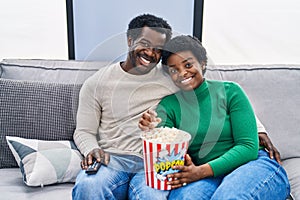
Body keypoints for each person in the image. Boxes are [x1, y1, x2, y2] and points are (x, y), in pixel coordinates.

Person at [72, 13, 281, 200]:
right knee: (89, 187)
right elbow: (84, 131)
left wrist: (257, 129)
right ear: (130, 40)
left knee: (151, 195)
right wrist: (93, 149)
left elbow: (216, 95)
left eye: (158, 49)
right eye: (145, 43)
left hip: (153, 164)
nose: (151, 53)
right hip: (113, 159)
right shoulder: (96, 83)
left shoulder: (168, 76)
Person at [138, 35, 290, 199]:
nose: (182, 73)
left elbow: (248, 147)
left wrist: (200, 172)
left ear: (202, 63)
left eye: (188, 64)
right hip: (203, 174)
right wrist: (152, 130)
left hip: (250, 164)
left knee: (228, 197)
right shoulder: (168, 106)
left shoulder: (230, 91)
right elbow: (165, 150)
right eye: (174, 70)